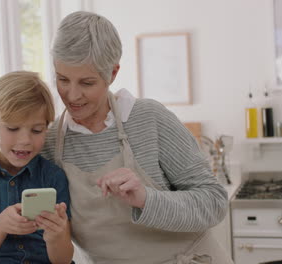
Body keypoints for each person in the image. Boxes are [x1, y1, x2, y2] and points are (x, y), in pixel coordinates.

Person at [41, 11, 233, 264]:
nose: (72, 95)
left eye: (87, 83)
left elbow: (215, 201)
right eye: (63, 79)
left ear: (113, 73)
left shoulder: (148, 119)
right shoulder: (48, 143)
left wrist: (146, 199)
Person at [0, 71, 73, 264]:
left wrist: (55, 236)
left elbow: (63, 259)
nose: (25, 140)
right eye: (13, 128)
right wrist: (0, 225)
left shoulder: (53, 176)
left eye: (36, 130)